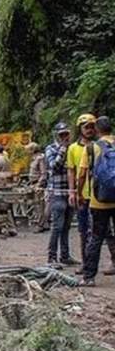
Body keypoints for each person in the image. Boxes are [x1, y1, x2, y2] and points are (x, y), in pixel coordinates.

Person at [68, 113, 115, 275]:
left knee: (95, 237)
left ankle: (89, 276)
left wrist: (79, 193)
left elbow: (81, 175)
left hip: (98, 200)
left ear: (97, 129)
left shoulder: (91, 148)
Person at [45, 122, 76, 266]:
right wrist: (63, 149)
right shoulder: (51, 149)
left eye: (66, 134)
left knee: (66, 227)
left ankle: (65, 255)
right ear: (56, 135)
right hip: (56, 192)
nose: (64, 137)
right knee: (57, 226)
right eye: (61, 134)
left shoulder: (73, 148)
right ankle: (51, 257)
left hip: (70, 191)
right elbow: (54, 167)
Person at [26, 143, 48, 232]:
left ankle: (40, 225)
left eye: (28, 150)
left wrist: (39, 184)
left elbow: (43, 173)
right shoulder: (33, 159)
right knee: (36, 205)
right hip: (32, 183)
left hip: (37, 184)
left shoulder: (40, 158)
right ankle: (44, 223)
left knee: (40, 206)